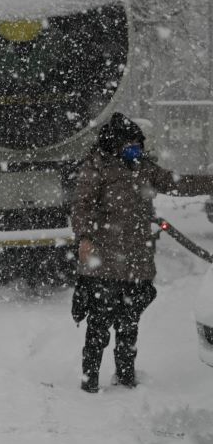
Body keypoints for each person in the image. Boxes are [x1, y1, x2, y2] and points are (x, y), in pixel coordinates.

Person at [71, 112, 213, 393]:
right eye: (131, 144)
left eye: (139, 144)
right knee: (99, 325)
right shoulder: (97, 167)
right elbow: (82, 206)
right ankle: (90, 382)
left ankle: (126, 377)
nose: (136, 149)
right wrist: (85, 238)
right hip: (105, 261)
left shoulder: (144, 169)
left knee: (129, 324)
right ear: (115, 144)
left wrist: (210, 182)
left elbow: (177, 183)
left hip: (136, 261)